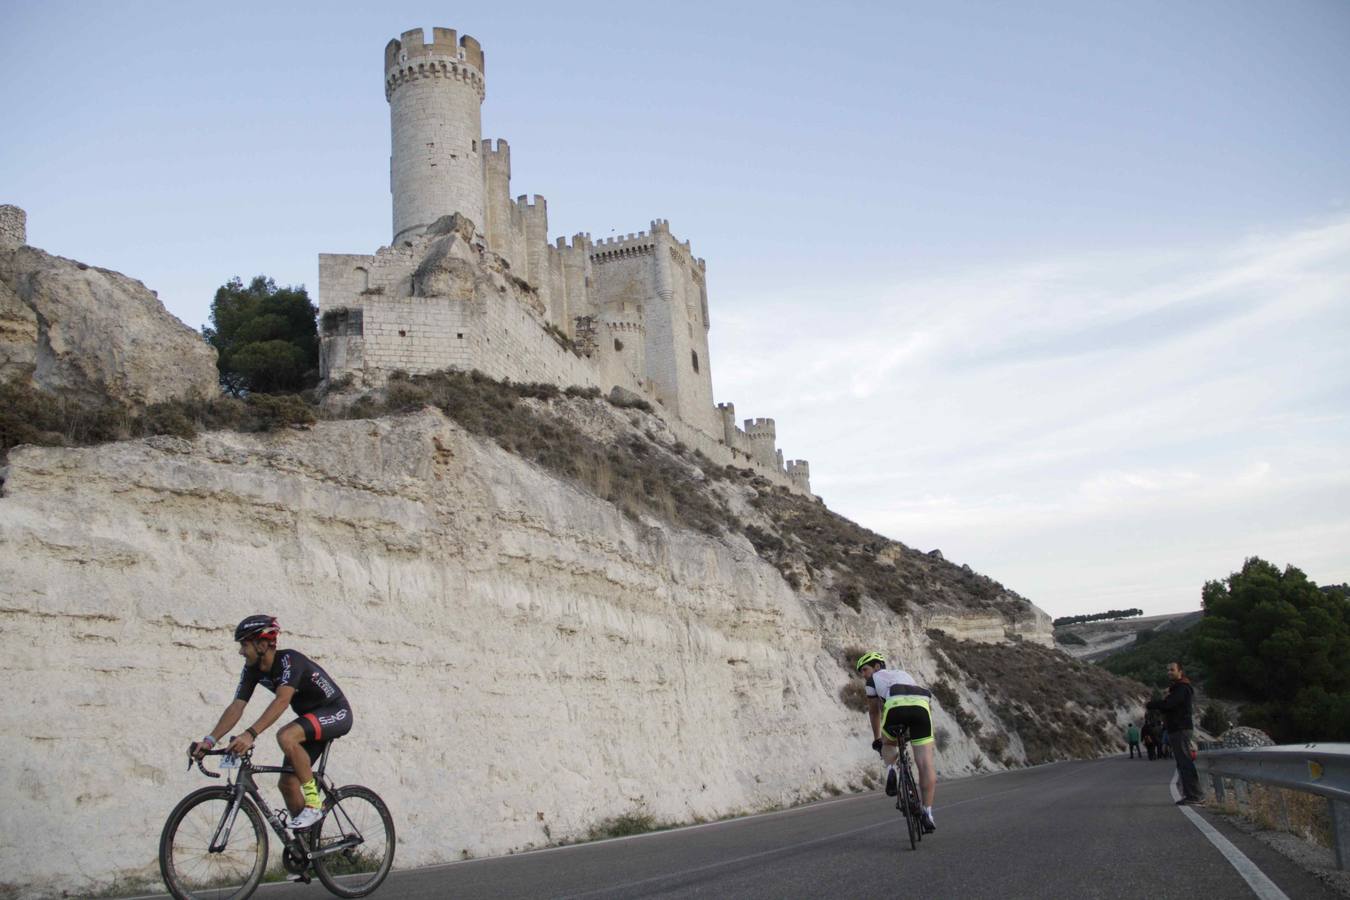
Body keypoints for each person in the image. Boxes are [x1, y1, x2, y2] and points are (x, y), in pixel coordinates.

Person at [190, 615, 354, 829]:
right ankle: (306, 847)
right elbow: (237, 706)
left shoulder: (289, 661)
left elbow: (282, 700)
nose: (241, 651)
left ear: (262, 644)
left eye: (244, 645)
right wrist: (210, 741)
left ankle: (314, 803)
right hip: (309, 721)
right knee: (287, 783)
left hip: (335, 711)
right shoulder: (252, 669)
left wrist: (250, 734)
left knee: (285, 735)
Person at [856, 652, 938, 833]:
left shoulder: (873, 680)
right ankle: (928, 813)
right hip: (922, 705)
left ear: (877, 666)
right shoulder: (904, 673)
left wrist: (878, 739)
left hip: (895, 704)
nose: (863, 674)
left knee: (888, 744)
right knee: (925, 764)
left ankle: (892, 769)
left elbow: (874, 712)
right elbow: (911, 698)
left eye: (865, 669)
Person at [1146, 661, 1202, 804]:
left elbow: (1169, 705)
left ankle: (1194, 796)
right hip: (1178, 729)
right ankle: (1191, 795)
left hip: (1180, 729)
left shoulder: (1182, 688)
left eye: (1172, 670)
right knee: (1182, 763)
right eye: (1168, 670)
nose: (1169, 672)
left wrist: (1151, 704)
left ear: (1180, 671)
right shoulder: (1178, 688)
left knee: (1185, 762)